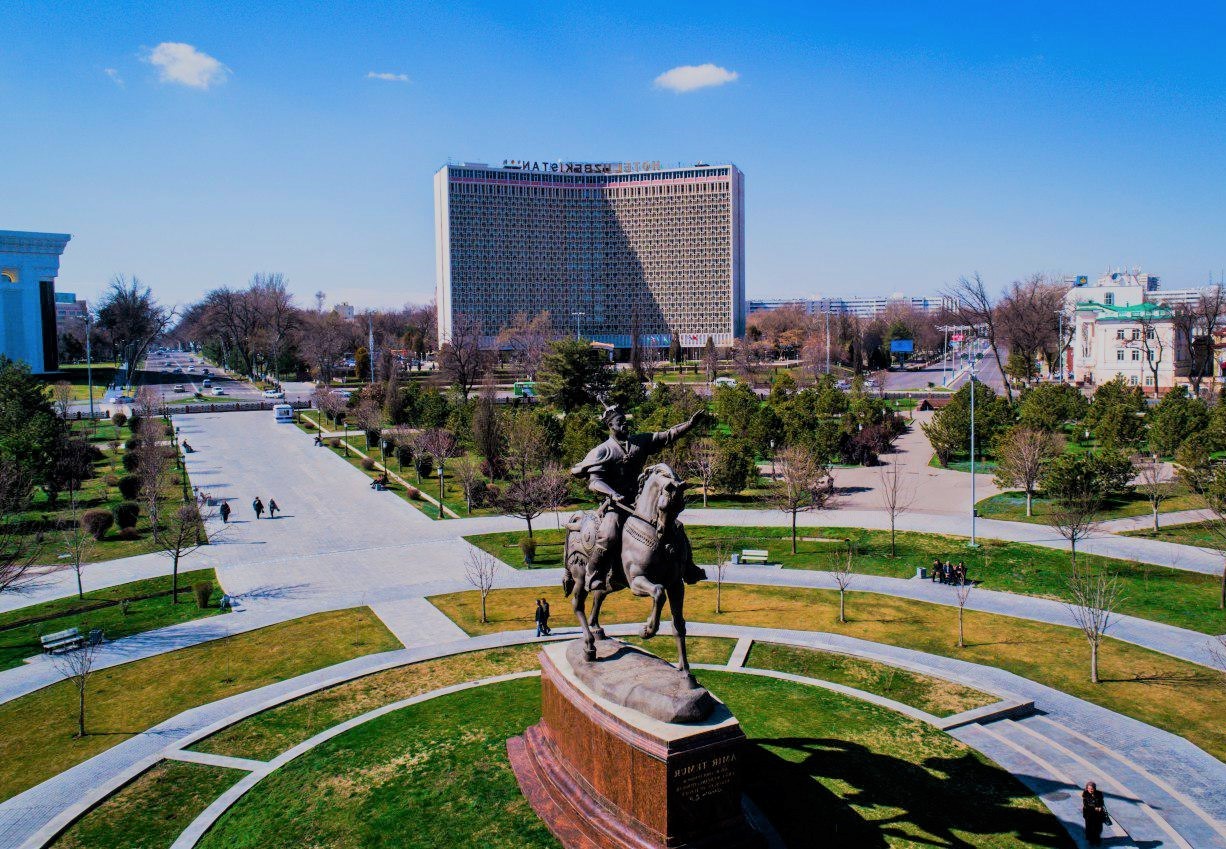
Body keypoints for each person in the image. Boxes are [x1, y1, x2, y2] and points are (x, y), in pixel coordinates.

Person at [570, 400, 707, 592]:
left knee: (676, 526)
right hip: (615, 505)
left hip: (640, 502)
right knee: (608, 535)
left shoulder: (639, 442)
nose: (625, 424)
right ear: (610, 425)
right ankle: (594, 575)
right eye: (620, 421)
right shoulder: (603, 451)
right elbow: (594, 482)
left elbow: (667, 436)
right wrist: (612, 493)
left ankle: (689, 568)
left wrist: (689, 424)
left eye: (625, 420)